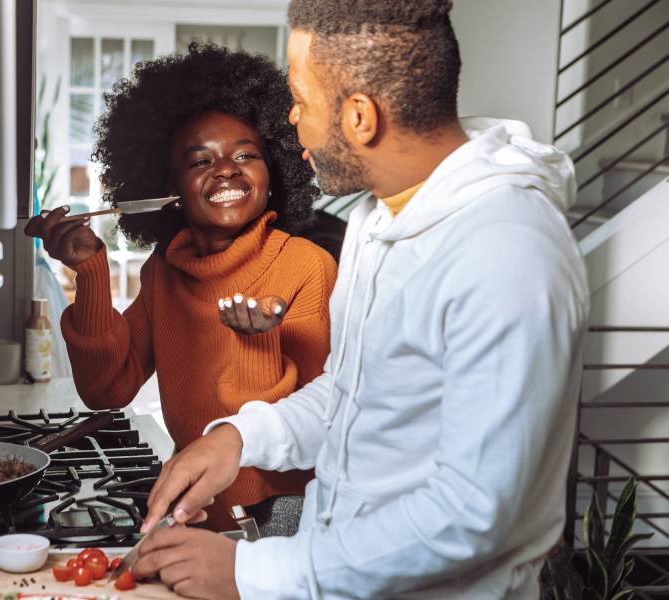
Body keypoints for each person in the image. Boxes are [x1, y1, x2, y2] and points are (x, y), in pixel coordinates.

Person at [133, 1, 590, 598]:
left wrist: (256, 572)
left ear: (359, 117)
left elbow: (472, 513)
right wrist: (240, 438)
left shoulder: (507, 252)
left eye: (300, 97)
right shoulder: (380, 219)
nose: (291, 118)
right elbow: (358, 392)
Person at [24, 43, 337, 532]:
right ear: (168, 190)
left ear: (274, 173)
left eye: (246, 155)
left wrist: (257, 344)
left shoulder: (307, 267)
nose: (226, 168)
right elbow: (107, 389)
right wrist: (90, 274)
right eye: (199, 161)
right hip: (193, 511)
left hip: (280, 522)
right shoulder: (164, 272)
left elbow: (324, 424)